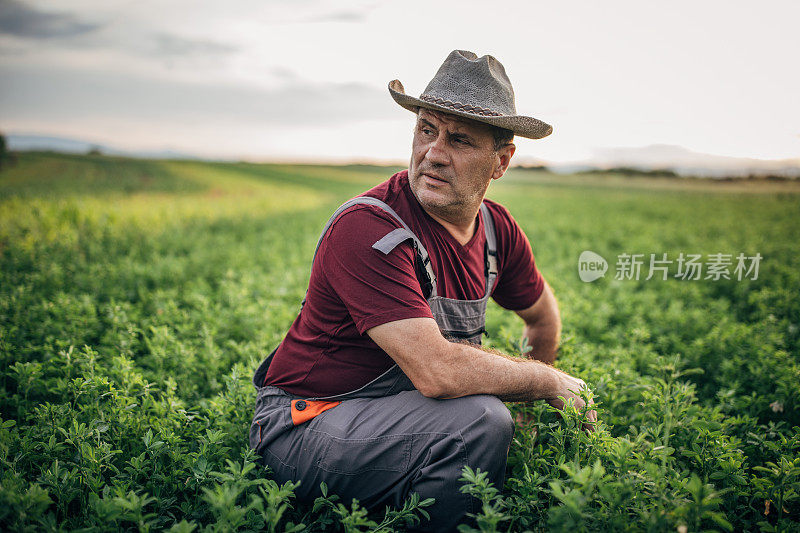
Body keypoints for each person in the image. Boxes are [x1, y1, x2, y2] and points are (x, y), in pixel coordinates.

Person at [249, 49, 596, 532]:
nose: (433, 153)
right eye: (426, 130)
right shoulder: (370, 227)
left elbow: (543, 317)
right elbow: (436, 373)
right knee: (481, 422)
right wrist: (546, 383)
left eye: (459, 139)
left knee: (489, 421)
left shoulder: (497, 230)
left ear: (501, 161)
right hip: (306, 424)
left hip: (397, 420)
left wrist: (529, 425)